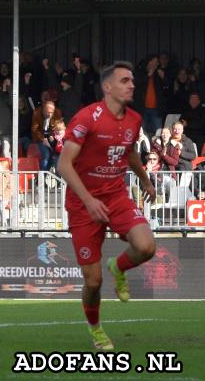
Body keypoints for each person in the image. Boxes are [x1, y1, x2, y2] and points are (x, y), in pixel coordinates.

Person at [57, 61, 157, 351]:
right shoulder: (86, 118)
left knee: (146, 246)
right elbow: (64, 164)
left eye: (133, 80)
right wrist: (88, 201)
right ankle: (96, 328)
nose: (132, 85)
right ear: (107, 87)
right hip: (83, 204)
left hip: (115, 195)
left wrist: (145, 180)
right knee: (93, 282)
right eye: (125, 80)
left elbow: (129, 154)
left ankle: (119, 266)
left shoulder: (134, 119)